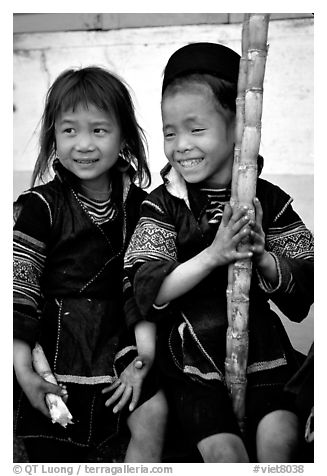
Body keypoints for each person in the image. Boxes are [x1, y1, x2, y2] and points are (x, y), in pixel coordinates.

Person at [124, 43, 314, 463]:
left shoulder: (269, 201)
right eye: (169, 132)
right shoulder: (163, 204)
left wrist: (263, 257)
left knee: (280, 441)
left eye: (196, 129)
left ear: (240, 126)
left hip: (266, 357)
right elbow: (148, 291)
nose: (180, 145)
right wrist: (214, 254)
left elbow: (305, 287)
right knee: (225, 455)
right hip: (191, 365)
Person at [13, 66, 167, 463]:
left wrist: (143, 360)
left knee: (154, 414)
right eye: (69, 131)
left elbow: (145, 286)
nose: (83, 144)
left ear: (124, 137)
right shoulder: (40, 206)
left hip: (122, 343)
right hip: (58, 345)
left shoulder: (143, 206)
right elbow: (19, 293)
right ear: (53, 138)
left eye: (98, 130)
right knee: (56, 444)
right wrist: (25, 374)